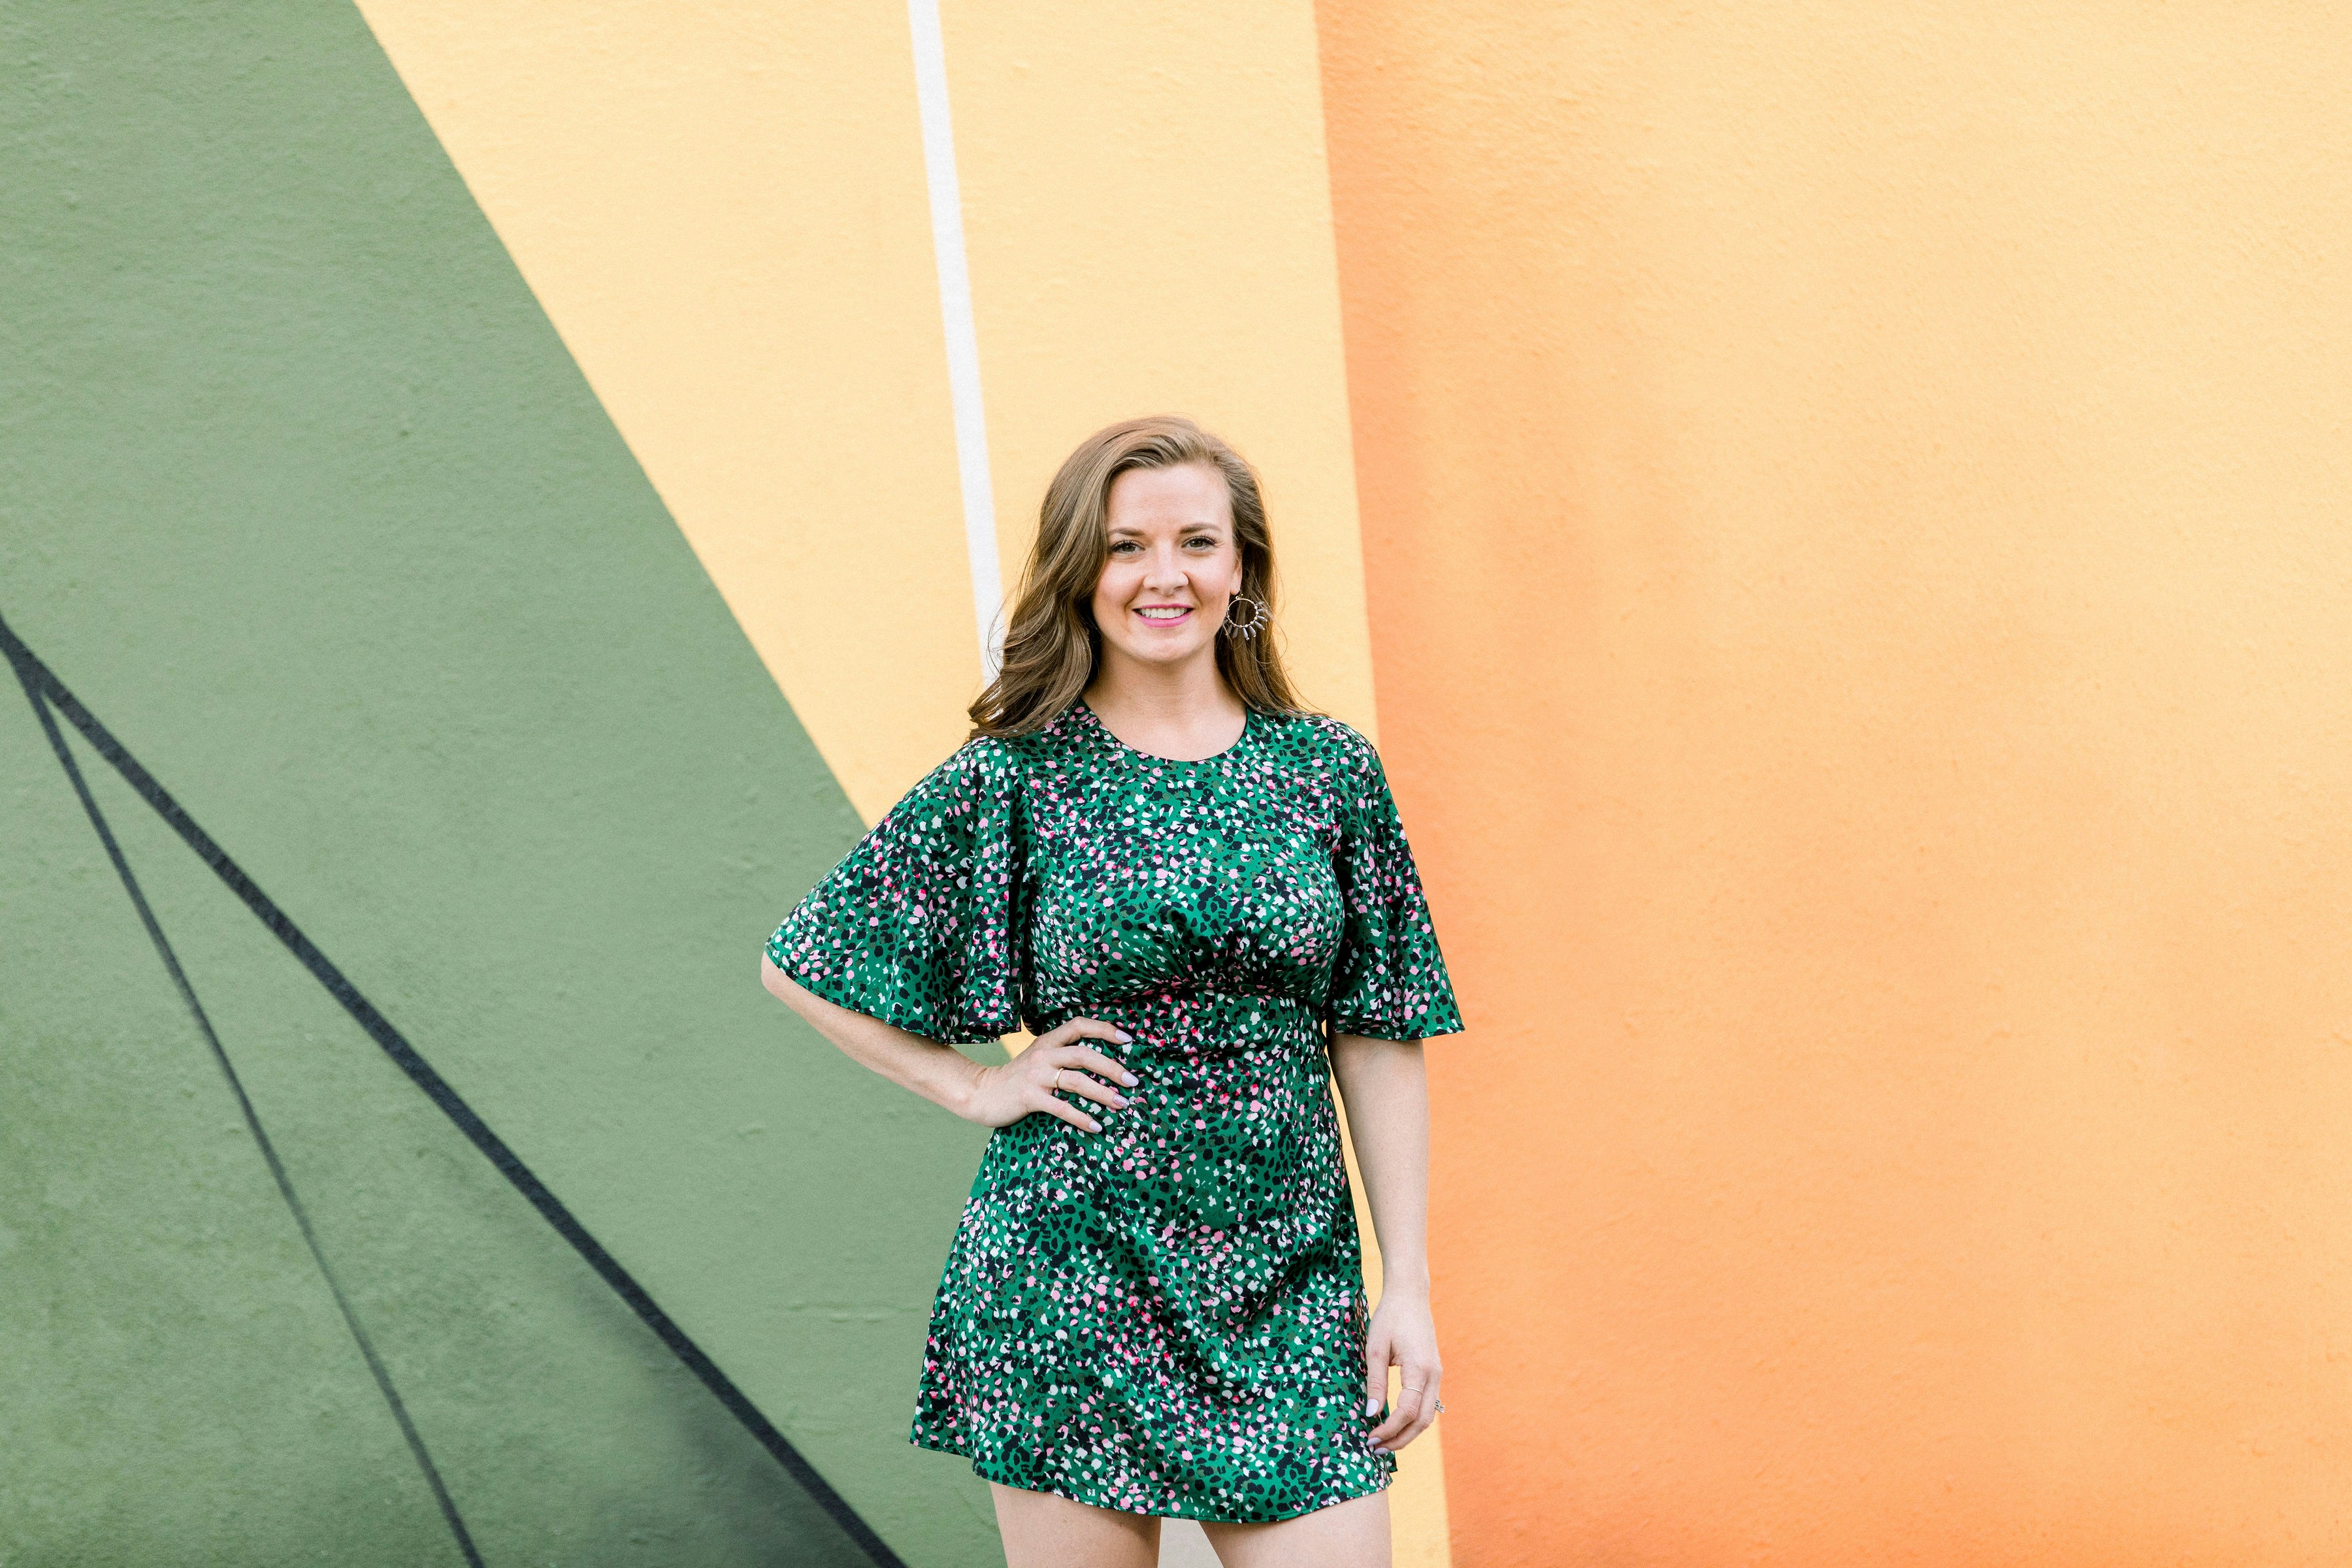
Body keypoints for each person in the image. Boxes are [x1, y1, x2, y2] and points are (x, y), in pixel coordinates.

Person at [759, 415, 1463, 1568]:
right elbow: (806, 959)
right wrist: (975, 1087)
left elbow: (1379, 1031)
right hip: (1068, 1272)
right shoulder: (1015, 773)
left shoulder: (1329, 770)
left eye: (1197, 541)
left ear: (1243, 571)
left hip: (1289, 1281)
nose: (1164, 575)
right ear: (1083, 571)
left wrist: (1410, 1287)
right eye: (1127, 545)